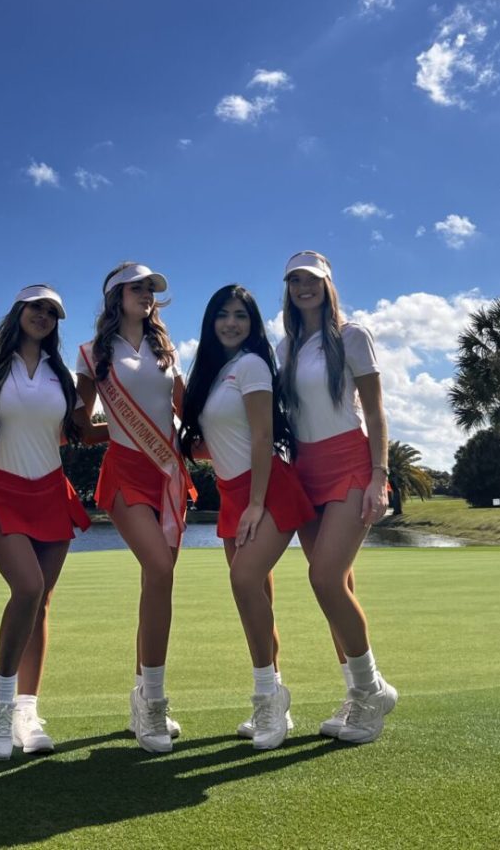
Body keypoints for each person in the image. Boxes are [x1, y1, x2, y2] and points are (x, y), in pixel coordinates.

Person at [180, 285, 314, 750]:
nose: (231, 323)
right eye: (223, 315)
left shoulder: (253, 365)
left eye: (240, 315)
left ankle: (267, 698)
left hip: (267, 489)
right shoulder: (215, 373)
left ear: (253, 323)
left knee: (243, 582)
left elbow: (262, 438)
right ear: (211, 322)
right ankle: (275, 699)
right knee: (254, 594)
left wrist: (256, 503)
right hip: (235, 493)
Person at [0, 285, 90, 761]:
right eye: (37, 308)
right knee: (28, 587)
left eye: (53, 312)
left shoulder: (61, 375)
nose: (44, 317)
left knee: (41, 604)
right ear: (18, 311)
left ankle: (26, 712)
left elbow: (82, 431)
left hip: (52, 493)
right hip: (3, 492)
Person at [278, 250, 397, 744]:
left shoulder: (352, 336)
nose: (303, 287)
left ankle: (372, 691)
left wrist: (379, 476)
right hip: (305, 470)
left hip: (350, 464)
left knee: (324, 578)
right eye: (295, 280)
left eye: (312, 279)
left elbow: (375, 409)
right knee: (337, 589)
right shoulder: (285, 347)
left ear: (328, 284)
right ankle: (359, 692)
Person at [75, 262, 194, 754]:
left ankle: (141, 695)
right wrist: (126, 437)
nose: (146, 295)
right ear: (115, 296)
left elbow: (189, 414)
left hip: (168, 475)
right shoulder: (93, 354)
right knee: (160, 568)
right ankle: (154, 704)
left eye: (150, 289)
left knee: (156, 581)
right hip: (124, 473)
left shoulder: (167, 350)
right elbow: (82, 428)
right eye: (137, 288)